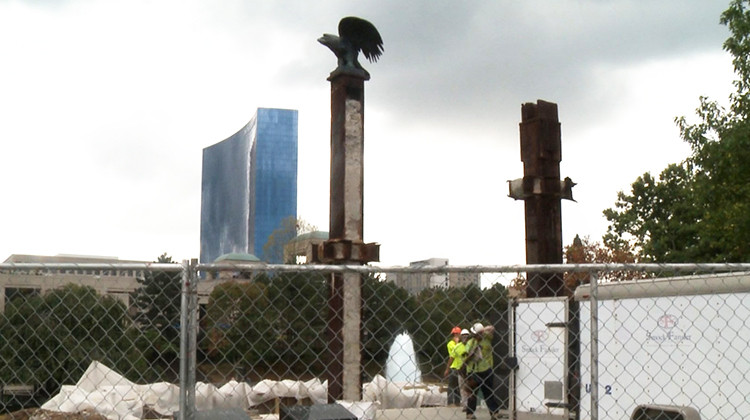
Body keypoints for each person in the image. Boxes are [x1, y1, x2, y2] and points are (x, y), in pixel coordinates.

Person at [464, 322, 500, 420]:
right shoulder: (479, 340)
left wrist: (482, 331)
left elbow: (492, 328)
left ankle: (491, 413)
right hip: (480, 370)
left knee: (480, 393)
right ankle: (491, 413)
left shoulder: (480, 340)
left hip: (480, 370)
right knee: (480, 393)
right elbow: (492, 327)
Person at [443, 326, 463, 406]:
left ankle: (458, 402)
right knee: (451, 385)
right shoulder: (450, 344)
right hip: (453, 367)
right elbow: (454, 353)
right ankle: (450, 402)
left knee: (459, 386)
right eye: (454, 334)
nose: (455, 336)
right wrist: (447, 369)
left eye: (457, 334)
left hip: (461, 367)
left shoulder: (463, 344)